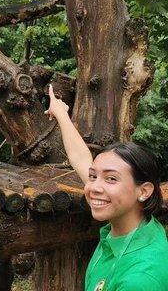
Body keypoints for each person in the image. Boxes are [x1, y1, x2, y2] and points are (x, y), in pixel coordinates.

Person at [45, 84, 168, 291]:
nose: (94, 187)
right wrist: (61, 113)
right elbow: (80, 157)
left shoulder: (140, 279)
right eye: (93, 176)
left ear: (144, 191)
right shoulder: (136, 224)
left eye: (111, 179)